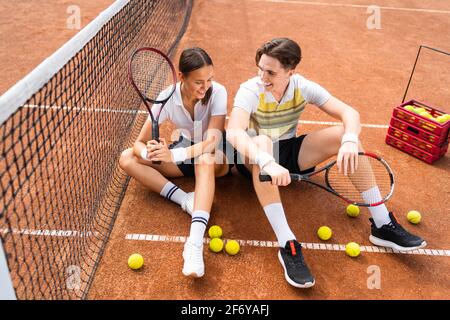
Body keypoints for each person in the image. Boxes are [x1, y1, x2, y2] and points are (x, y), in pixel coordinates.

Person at [226, 38, 426, 288]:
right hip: (255, 157)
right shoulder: (250, 89)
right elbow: (234, 132)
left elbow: (349, 113)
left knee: (343, 133)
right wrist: (267, 162)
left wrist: (350, 141)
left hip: (289, 152)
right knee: (264, 141)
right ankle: (287, 244)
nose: (263, 76)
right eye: (260, 68)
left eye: (271, 72)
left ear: (291, 71)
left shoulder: (302, 87)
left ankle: (382, 223)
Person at [119, 47, 232, 278]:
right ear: (181, 77)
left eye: (209, 79)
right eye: (199, 82)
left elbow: (212, 141)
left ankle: (194, 243)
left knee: (205, 158)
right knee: (127, 157)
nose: (206, 86)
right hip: (183, 152)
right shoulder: (165, 97)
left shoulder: (218, 92)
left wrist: (172, 156)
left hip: (215, 156)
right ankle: (185, 199)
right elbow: (139, 143)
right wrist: (151, 153)